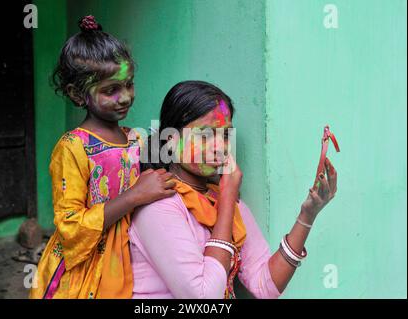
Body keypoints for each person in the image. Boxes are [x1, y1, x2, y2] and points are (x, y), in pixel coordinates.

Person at [129, 81, 338, 298]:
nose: (220, 147)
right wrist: (227, 197)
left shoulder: (223, 200)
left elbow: (264, 286)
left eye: (226, 135)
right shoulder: (159, 207)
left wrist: (308, 214)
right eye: (205, 135)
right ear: (171, 141)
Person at [30, 16, 176, 299]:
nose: (125, 97)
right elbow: (70, 226)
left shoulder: (138, 138)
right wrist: (133, 196)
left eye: (129, 84)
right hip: (85, 272)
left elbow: (165, 176)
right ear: (78, 94)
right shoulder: (72, 148)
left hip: (129, 256)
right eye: (111, 90)